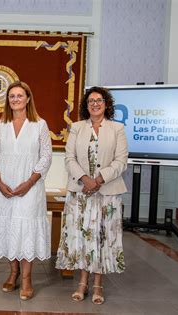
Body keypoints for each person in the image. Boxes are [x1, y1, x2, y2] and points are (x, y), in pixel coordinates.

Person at [55, 86, 128, 305]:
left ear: (106, 104)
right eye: (91, 101)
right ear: (86, 106)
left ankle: (98, 285)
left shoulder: (117, 128)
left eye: (99, 100)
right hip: (80, 192)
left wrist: (99, 179)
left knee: (102, 237)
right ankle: (82, 283)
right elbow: (69, 158)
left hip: (107, 193)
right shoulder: (77, 127)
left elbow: (121, 160)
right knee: (82, 237)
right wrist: (85, 179)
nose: (95, 104)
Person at [0, 81, 52, 300]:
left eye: (19, 95)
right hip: (5, 188)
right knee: (10, 226)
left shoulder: (39, 124)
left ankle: (27, 279)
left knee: (26, 230)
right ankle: (13, 273)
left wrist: (29, 183)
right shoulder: (1, 125)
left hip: (30, 187)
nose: (15, 99)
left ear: (28, 98)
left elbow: (46, 157)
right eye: (11, 96)